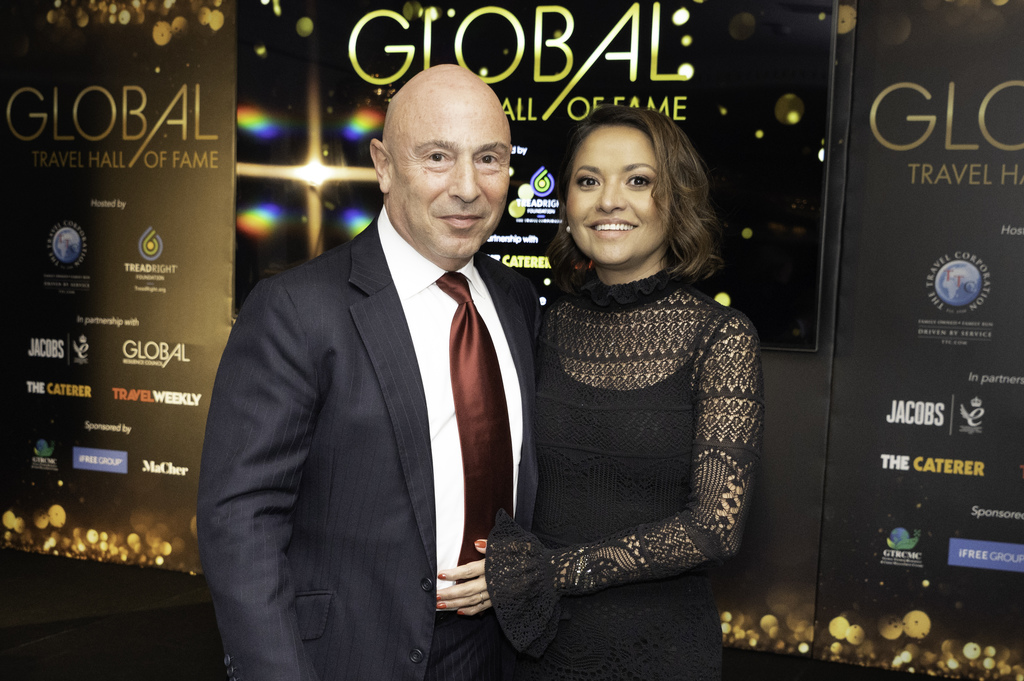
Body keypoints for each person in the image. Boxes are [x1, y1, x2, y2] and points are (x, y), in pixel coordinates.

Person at [197, 64, 540, 681]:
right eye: (438, 157)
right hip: (351, 655)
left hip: (499, 652)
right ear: (383, 166)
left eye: (488, 159)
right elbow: (240, 522)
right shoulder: (297, 310)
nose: (468, 187)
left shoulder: (516, 300)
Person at [483, 105, 764, 680]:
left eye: (638, 181)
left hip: (656, 650)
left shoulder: (721, 337)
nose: (609, 201)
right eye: (588, 181)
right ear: (567, 204)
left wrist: (551, 572)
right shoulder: (546, 323)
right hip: (534, 643)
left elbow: (715, 527)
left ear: (677, 199)